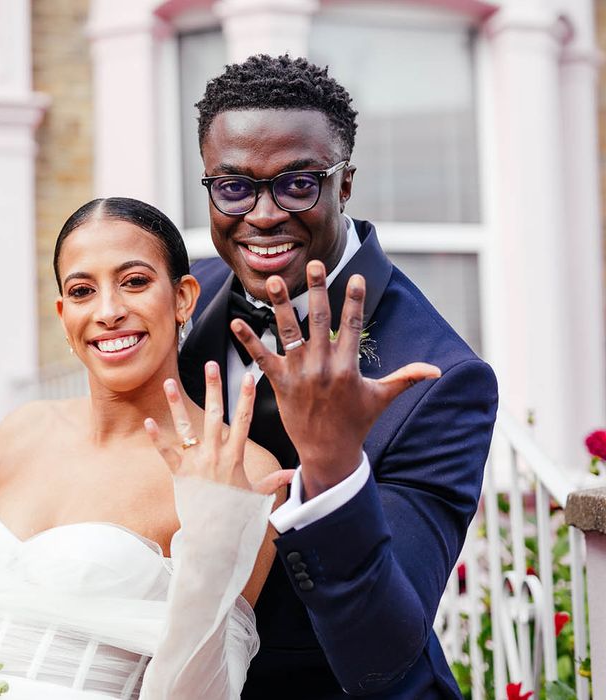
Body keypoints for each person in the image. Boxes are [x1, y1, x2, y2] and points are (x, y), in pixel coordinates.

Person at [179, 55, 499, 699]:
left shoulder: (443, 380)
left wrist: (331, 471)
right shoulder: (186, 293)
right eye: (233, 187)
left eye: (297, 183)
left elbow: (384, 651)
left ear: (344, 184)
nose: (262, 215)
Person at [0, 197, 295, 699]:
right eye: (83, 290)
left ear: (182, 298)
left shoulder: (235, 466)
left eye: (134, 282)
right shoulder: (19, 430)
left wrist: (213, 544)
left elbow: (203, 692)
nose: (109, 312)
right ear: (63, 312)